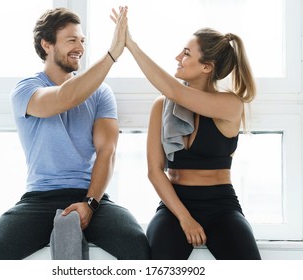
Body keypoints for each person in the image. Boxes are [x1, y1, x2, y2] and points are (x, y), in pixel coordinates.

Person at [0, 7, 150, 260]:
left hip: (92, 196)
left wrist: (90, 203)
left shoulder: (101, 93)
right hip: (40, 198)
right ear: (47, 44)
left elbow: (106, 151)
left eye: (82, 40)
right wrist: (112, 54)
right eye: (71, 40)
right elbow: (64, 98)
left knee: (137, 246)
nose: (79, 46)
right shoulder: (26, 90)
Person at [111, 8, 261, 260]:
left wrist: (131, 45)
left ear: (206, 67)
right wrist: (184, 217)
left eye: (187, 53)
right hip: (173, 204)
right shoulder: (161, 105)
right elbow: (154, 171)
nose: (178, 57)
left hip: (221, 206)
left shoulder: (229, 104)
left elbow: (175, 91)